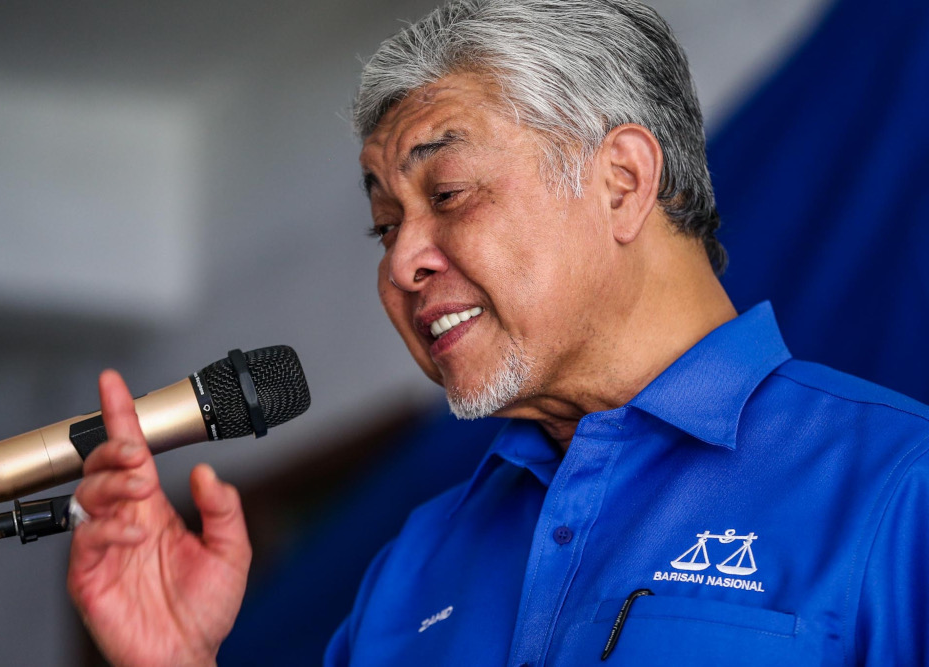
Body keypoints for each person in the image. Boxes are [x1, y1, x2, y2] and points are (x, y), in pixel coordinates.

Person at [68, 0, 929, 664]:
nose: (402, 262)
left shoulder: (899, 485)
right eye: (383, 225)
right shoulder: (416, 559)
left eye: (447, 195)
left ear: (623, 181)